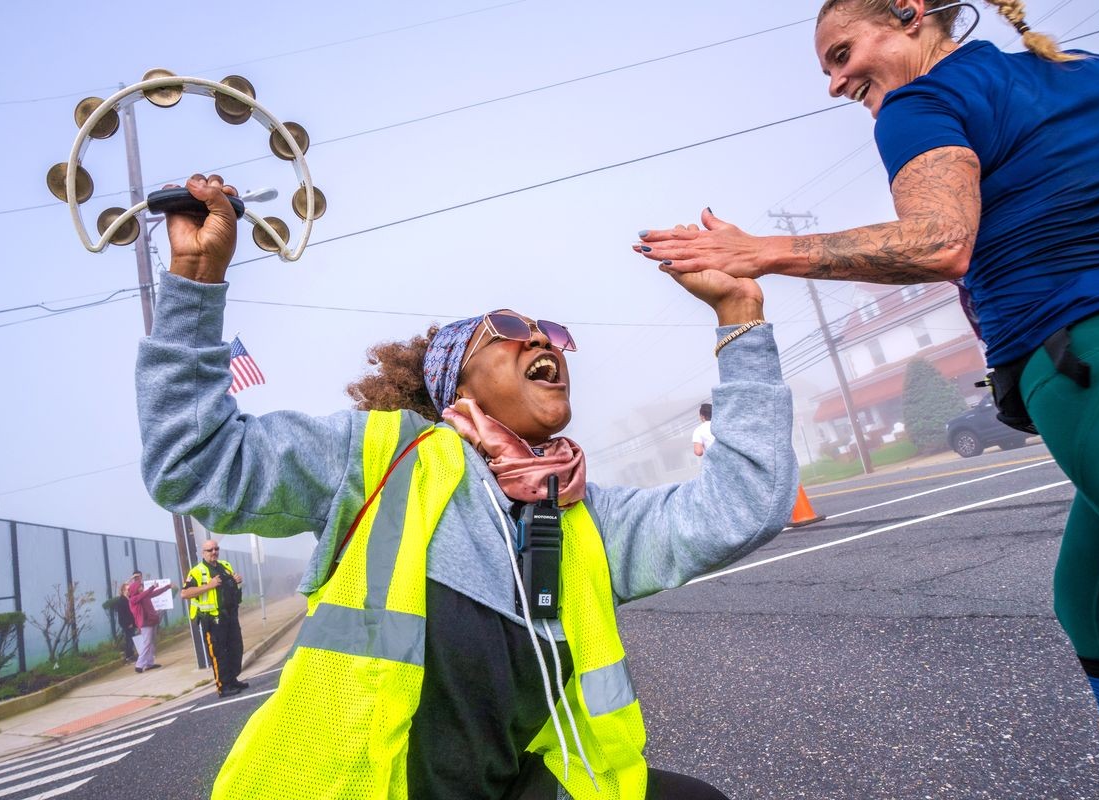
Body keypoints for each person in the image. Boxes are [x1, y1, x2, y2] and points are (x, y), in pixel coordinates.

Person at [633, 2, 1099, 796]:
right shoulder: (1087, 69)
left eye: (843, 53)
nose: (838, 80)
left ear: (913, 15)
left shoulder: (923, 101)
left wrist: (761, 251)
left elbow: (941, 240)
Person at [136, 174, 798, 799]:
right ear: (456, 384)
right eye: (509, 331)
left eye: (553, 335)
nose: (543, 339)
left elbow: (742, 506)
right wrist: (196, 282)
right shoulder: (378, 459)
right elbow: (191, 462)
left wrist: (740, 315)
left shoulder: (582, 512)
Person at [181, 539, 249, 697]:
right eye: (210, 550)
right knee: (219, 653)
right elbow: (185, 594)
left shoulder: (225, 566)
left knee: (235, 648)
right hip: (212, 620)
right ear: (203, 553)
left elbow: (232, 585)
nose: (214, 552)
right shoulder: (197, 571)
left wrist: (237, 580)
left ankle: (232, 679)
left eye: (216, 549)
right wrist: (208, 585)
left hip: (230, 616)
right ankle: (223, 686)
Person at [126, 571, 169, 673]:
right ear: (135, 589)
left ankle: (149, 663)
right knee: (147, 643)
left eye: (141, 586)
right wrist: (152, 587)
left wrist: (167, 587)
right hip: (145, 623)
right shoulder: (134, 599)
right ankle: (139, 664)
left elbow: (154, 593)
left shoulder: (144, 595)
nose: (141, 588)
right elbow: (146, 593)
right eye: (139, 587)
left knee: (151, 643)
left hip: (151, 621)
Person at [110, 581, 138, 663]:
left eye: (129, 589)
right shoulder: (122, 600)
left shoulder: (128, 599)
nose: (129, 591)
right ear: (123, 590)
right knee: (129, 639)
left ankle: (131, 654)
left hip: (131, 622)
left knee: (131, 638)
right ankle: (128, 656)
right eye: (127, 589)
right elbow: (123, 614)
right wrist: (128, 623)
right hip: (127, 623)